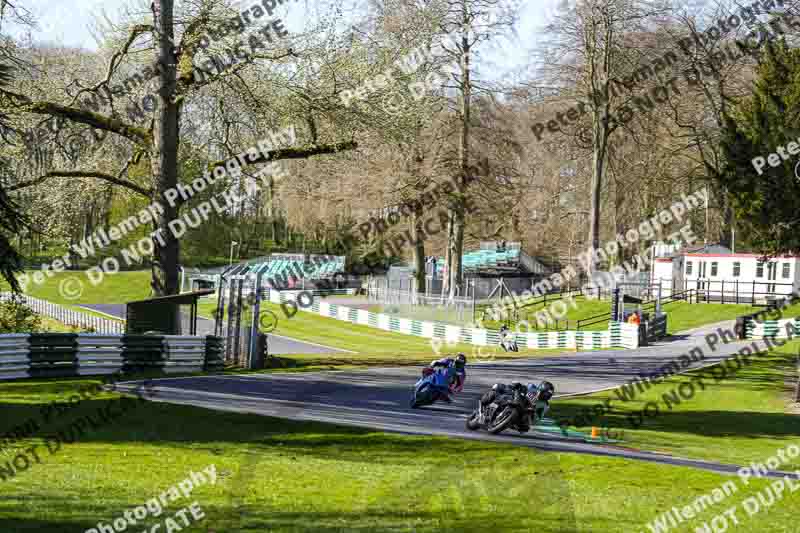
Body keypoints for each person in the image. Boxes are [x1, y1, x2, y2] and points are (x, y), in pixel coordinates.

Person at [479, 381, 555, 430]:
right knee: (498, 387)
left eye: (549, 394)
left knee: (525, 427)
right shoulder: (531, 387)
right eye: (547, 393)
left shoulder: (545, 405)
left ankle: (506, 422)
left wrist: (533, 413)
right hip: (516, 400)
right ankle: (482, 409)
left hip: (524, 414)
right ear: (541, 389)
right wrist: (516, 385)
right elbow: (522, 387)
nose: (547, 395)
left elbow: (538, 418)